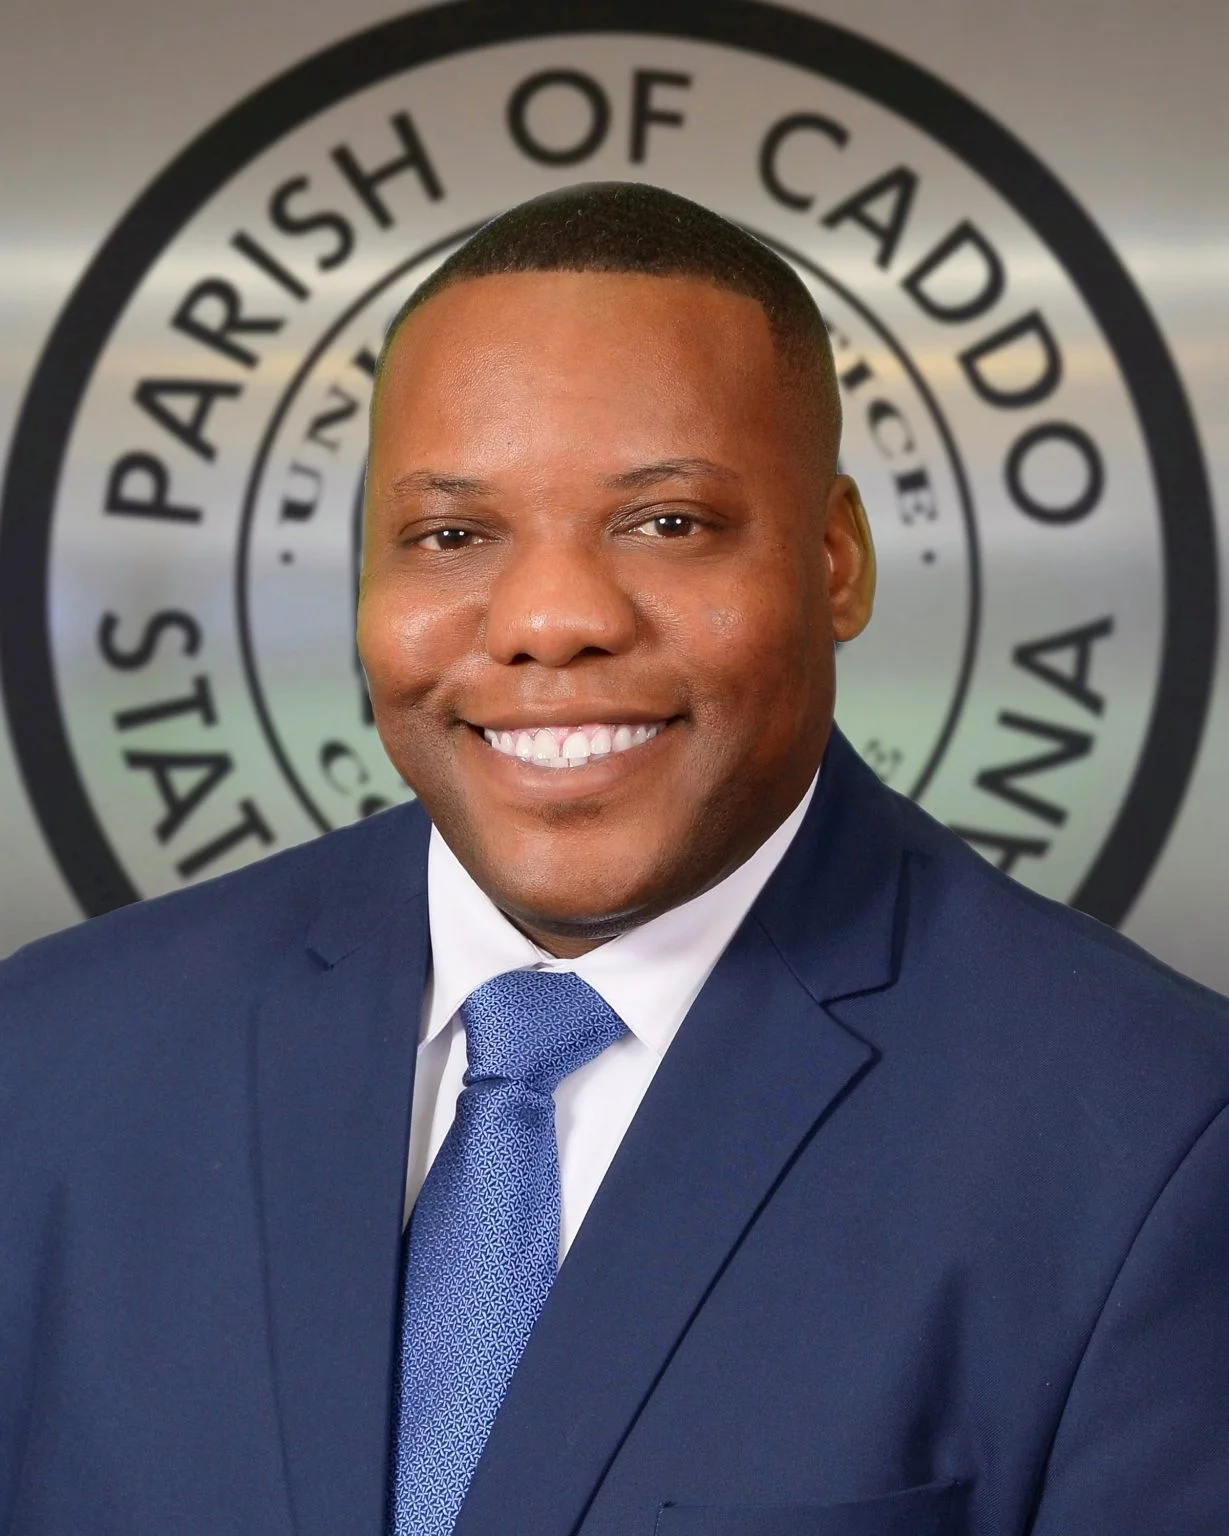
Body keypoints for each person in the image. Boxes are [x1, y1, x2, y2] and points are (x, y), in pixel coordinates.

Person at [1, 182, 1226, 1536]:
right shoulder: (47, 1063)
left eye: (666, 522)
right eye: (452, 535)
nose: (549, 620)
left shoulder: (1157, 1141)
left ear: (835, 561)